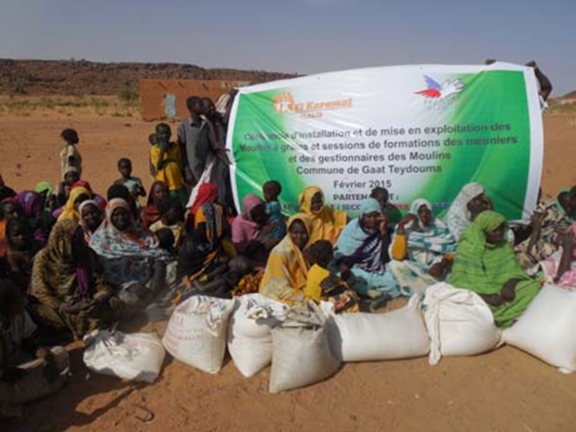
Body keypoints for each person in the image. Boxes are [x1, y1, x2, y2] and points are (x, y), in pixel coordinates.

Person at [28, 220, 118, 340]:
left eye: (82, 238)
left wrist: (96, 299)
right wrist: (64, 306)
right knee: (38, 313)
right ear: (63, 242)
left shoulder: (88, 254)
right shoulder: (44, 258)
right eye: (76, 241)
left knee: (115, 303)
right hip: (59, 307)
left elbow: (101, 283)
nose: (82, 243)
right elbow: (40, 292)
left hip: (86, 302)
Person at [449, 211, 540, 328]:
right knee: (467, 305)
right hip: (480, 294)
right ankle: (502, 319)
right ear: (483, 231)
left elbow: (514, 271)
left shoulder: (503, 246)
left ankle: (504, 318)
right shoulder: (467, 247)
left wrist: (509, 286)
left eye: (501, 230)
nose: (499, 234)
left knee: (532, 287)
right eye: (494, 231)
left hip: (502, 290)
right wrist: (487, 297)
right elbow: (459, 283)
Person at [0, 279, 69, 419]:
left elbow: (27, 342)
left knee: (60, 354)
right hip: (5, 377)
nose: (22, 302)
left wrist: (43, 354)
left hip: (20, 364)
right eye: (17, 301)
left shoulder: (19, 315)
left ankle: (31, 391)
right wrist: (5, 373)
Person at [89, 199, 169, 288]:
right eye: (116, 215)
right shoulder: (101, 238)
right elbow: (103, 265)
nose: (121, 217)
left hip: (150, 272)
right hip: (121, 282)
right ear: (109, 217)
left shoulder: (140, 230)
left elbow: (156, 251)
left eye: (124, 213)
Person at [335, 198, 401, 298]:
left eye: (376, 216)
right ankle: (367, 291)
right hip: (356, 270)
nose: (373, 220)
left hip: (377, 272)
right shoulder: (352, 228)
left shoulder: (386, 230)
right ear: (362, 216)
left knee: (395, 286)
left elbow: (386, 258)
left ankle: (366, 291)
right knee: (337, 274)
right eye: (368, 216)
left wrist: (383, 233)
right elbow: (341, 256)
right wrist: (344, 269)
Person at [388, 199, 457, 294]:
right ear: (413, 213)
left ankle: (425, 289)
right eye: (420, 211)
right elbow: (398, 256)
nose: (424, 215)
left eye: (427, 211)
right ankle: (424, 290)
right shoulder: (404, 229)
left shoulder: (440, 228)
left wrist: (442, 264)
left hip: (435, 269)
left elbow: (452, 251)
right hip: (414, 268)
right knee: (395, 265)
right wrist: (401, 226)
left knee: (454, 270)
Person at [516, 189, 576, 270]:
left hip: (544, 258)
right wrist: (536, 229)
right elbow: (530, 246)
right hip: (528, 253)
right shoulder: (548, 207)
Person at [259, 214, 313, 305]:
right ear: (289, 232)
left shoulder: (306, 249)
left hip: (297, 289)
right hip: (276, 294)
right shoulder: (280, 253)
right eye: (295, 233)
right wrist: (305, 298)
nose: (299, 237)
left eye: (303, 233)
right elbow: (280, 289)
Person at [304, 240, 360, 313]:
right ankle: (351, 315)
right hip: (319, 303)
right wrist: (345, 287)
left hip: (309, 298)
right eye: (331, 253)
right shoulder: (325, 277)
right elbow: (334, 292)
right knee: (350, 295)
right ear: (328, 257)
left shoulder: (313, 268)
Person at [177, 96, 215, 186]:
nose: (203, 106)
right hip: (192, 168)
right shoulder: (184, 126)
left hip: (206, 166)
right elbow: (181, 148)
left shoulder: (206, 124)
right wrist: (186, 170)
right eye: (200, 104)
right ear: (192, 108)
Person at [232, 194, 279, 264]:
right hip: (250, 256)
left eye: (260, 214)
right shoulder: (238, 224)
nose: (258, 218)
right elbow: (240, 248)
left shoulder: (264, 217)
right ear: (248, 213)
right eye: (255, 215)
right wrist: (259, 237)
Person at [150, 123, 186, 205]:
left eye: (167, 133)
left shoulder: (175, 147)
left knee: (181, 204)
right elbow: (158, 166)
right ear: (157, 135)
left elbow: (180, 162)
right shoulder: (155, 149)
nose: (165, 136)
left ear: (170, 134)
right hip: (165, 185)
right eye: (162, 134)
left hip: (177, 183)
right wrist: (162, 151)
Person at [5, 218, 39, 293]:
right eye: (16, 235)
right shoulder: (11, 256)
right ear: (9, 237)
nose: (22, 237)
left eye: (25, 233)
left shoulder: (38, 247)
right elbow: (19, 279)